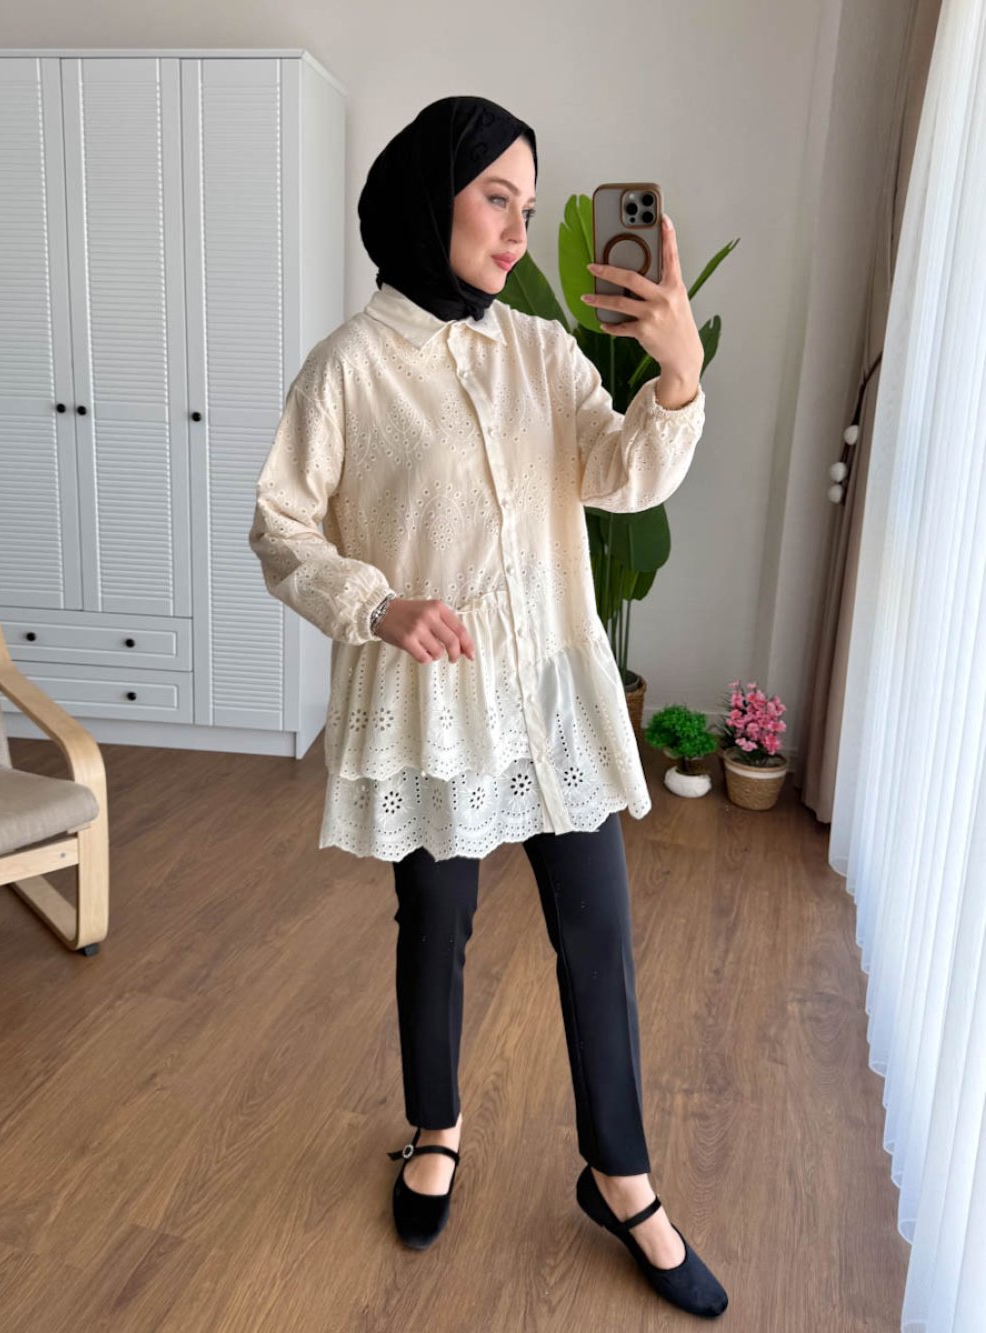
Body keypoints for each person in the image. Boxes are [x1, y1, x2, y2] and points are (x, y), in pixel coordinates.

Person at [248, 95, 727, 1319]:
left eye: (529, 203)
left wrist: (677, 373)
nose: (516, 230)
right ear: (431, 198)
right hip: (433, 703)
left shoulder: (542, 351)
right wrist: (375, 604)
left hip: (551, 692)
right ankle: (435, 1127)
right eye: (495, 199)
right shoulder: (348, 368)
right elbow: (280, 528)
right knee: (435, 919)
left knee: (597, 930)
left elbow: (618, 477)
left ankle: (620, 1177)